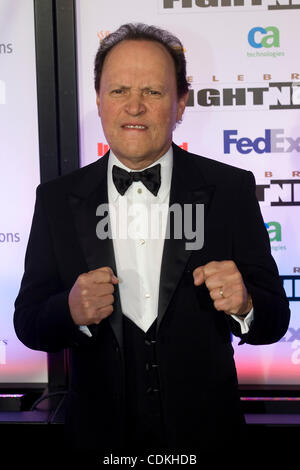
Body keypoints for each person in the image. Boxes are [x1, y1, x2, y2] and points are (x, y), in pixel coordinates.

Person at [14, 23, 290, 458]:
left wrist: (246, 306)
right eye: (120, 90)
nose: (135, 107)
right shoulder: (55, 199)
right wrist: (69, 310)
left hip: (208, 443)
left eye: (154, 92)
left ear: (181, 102)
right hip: (96, 443)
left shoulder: (231, 189)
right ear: (99, 100)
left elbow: (275, 321)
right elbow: (27, 323)